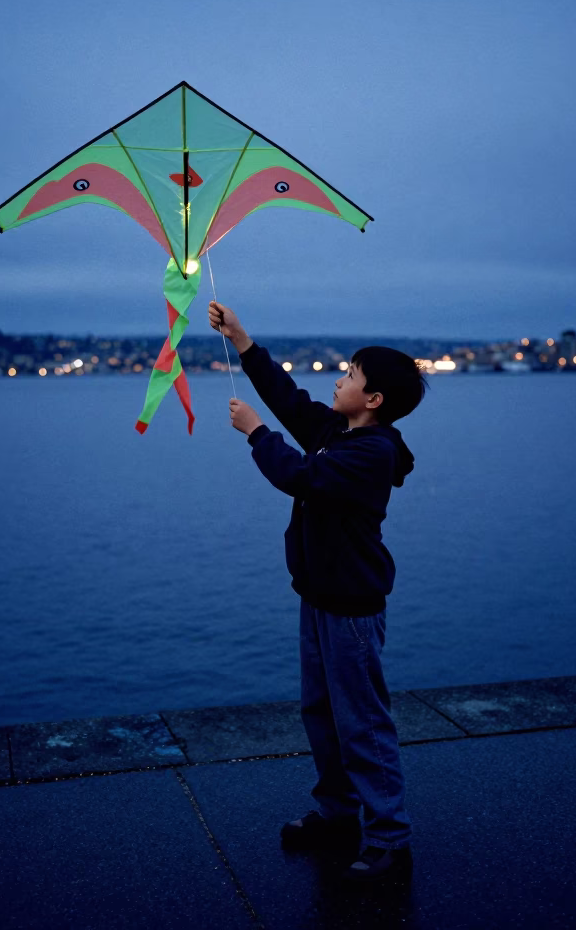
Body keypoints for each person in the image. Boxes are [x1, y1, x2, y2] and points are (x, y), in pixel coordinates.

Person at [207, 300, 426, 882]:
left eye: (350, 375)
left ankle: (388, 836)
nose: (339, 378)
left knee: (362, 722)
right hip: (319, 596)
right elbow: (288, 399)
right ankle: (337, 815)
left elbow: (299, 477)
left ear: (374, 399)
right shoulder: (337, 430)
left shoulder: (371, 453)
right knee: (321, 714)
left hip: (352, 608)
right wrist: (242, 339)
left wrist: (256, 433)